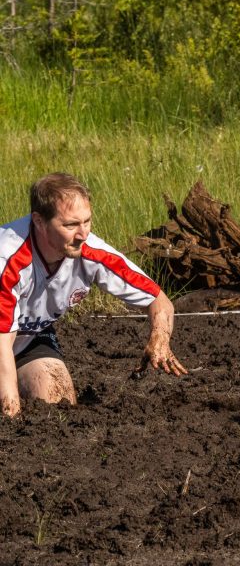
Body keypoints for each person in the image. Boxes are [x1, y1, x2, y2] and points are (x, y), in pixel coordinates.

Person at [0, 173, 187, 417]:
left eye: (86, 221)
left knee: (58, 404)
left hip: (28, 338)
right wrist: (11, 416)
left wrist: (159, 338)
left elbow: (158, 300)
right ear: (39, 221)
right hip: (3, 342)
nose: (83, 234)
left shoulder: (90, 251)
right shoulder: (8, 260)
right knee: (9, 410)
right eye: (70, 225)